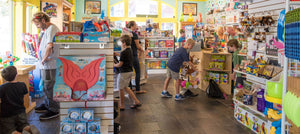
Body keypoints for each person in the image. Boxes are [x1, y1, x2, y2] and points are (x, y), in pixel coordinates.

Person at [32, 12, 60, 120]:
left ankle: (54, 109)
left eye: (38, 24)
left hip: (50, 64)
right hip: (46, 65)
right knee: (45, 86)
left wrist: (43, 58)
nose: (37, 27)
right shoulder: (47, 30)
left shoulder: (52, 29)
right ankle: (47, 104)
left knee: (48, 86)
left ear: (43, 21)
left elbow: (50, 46)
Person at [0, 66, 40, 134]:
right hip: (21, 112)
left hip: (7, 114)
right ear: (16, 75)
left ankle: (16, 133)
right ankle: (28, 128)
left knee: (9, 130)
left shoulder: (2, 88)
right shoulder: (22, 85)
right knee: (23, 124)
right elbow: (24, 96)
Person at [114, 35, 142, 110]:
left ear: (124, 43)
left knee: (120, 88)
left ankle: (121, 105)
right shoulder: (130, 50)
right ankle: (136, 101)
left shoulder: (124, 52)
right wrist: (117, 54)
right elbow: (125, 57)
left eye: (121, 42)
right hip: (129, 71)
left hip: (123, 73)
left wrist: (113, 64)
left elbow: (120, 64)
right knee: (126, 88)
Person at [126, 21, 146, 94]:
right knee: (138, 72)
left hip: (128, 55)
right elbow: (138, 46)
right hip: (134, 55)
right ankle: (137, 89)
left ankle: (130, 88)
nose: (136, 26)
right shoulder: (134, 34)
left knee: (130, 72)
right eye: (135, 24)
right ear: (132, 26)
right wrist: (142, 50)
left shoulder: (126, 33)